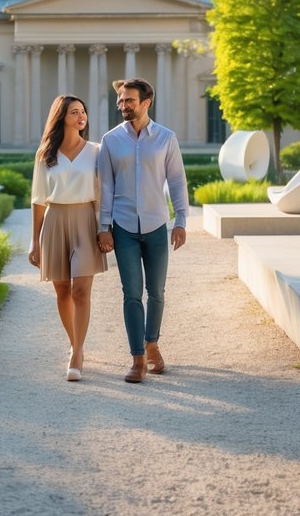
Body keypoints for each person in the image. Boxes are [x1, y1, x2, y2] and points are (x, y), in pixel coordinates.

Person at [97, 77, 188, 384]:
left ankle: (152, 343)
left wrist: (181, 221)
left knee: (157, 292)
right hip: (123, 227)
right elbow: (106, 186)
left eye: (129, 101)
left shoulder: (166, 138)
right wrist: (103, 227)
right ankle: (138, 358)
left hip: (156, 225)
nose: (123, 105)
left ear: (146, 103)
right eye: (120, 101)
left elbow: (176, 181)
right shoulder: (110, 140)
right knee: (131, 294)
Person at [28, 94, 107, 381]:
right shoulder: (45, 155)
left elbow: (103, 195)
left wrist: (103, 228)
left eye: (83, 112)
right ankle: (76, 344)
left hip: (86, 220)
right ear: (61, 117)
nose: (81, 116)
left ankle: (76, 353)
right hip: (55, 220)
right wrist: (34, 242)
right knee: (62, 289)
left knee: (81, 291)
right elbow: (38, 200)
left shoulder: (97, 151)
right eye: (74, 112)